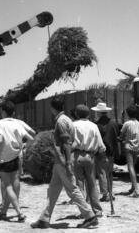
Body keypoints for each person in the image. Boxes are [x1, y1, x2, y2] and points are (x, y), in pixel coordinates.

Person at [31, 97, 99, 229]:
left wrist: (67, 162)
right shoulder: (67, 119)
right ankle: (44, 219)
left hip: (62, 160)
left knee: (72, 189)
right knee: (53, 190)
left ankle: (90, 216)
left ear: (52, 108)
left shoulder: (61, 122)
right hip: (61, 161)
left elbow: (67, 143)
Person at [0, 101, 35, 222]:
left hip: (4, 158)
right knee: (15, 182)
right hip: (16, 157)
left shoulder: (0, 124)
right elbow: (31, 138)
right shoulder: (17, 124)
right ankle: (3, 212)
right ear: (13, 112)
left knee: (7, 185)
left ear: (3, 112)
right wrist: (23, 146)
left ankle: (19, 212)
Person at [72, 104, 106, 217]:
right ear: (88, 114)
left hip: (77, 156)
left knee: (79, 184)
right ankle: (97, 210)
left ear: (76, 114)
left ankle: (85, 211)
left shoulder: (73, 125)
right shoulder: (94, 126)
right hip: (91, 157)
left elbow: (70, 143)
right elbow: (101, 145)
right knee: (92, 184)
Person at [92, 102, 119, 202]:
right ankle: (110, 192)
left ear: (98, 113)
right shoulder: (113, 123)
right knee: (110, 173)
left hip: (101, 151)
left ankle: (105, 194)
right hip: (111, 152)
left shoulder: (96, 124)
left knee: (102, 173)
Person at [120, 104, 139, 197]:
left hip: (129, 147)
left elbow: (121, 135)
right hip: (137, 147)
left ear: (128, 114)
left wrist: (121, 139)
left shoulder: (127, 123)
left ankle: (136, 190)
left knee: (130, 168)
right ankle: (133, 187)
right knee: (134, 167)